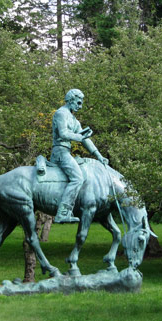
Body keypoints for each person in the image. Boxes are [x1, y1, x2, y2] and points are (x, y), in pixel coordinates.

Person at [51, 89, 108, 223]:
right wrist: (79, 136)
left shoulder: (74, 119)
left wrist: (98, 155)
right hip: (60, 152)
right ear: (70, 99)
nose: (80, 106)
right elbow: (63, 133)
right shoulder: (61, 113)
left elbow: (85, 140)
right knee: (77, 178)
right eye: (78, 102)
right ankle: (63, 213)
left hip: (66, 151)